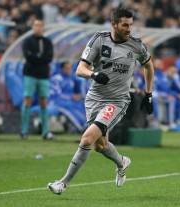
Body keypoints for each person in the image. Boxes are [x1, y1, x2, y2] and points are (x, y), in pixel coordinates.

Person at [48, 7, 154, 194]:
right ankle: (122, 162)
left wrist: (148, 93)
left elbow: (148, 66)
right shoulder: (99, 40)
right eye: (124, 25)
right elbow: (80, 69)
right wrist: (94, 75)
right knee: (100, 145)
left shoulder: (136, 45)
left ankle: (62, 183)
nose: (129, 29)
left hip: (117, 101)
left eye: (130, 25)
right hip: (94, 99)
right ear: (113, 24)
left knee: (87, 138)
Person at [21, 19, 54, 140]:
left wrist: (36, 57)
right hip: (30, 74)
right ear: (33, 27)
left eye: (40, 25)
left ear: (43, 27)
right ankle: (24, 131)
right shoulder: (27, 41)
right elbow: (27, 56)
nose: (38, 28)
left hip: (43, 75)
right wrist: (40, 58)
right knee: (27, 100)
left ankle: (45, 132)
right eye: (36, 25)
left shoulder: (47, 42)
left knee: (44, 102)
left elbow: (49, 58)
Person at [49, 61, 86, 132]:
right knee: (69, 111)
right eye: (67, 68)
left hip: (69, 102)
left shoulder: (71, 79)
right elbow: (56, 94)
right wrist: (71, 97)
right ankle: (81, 129)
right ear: (62, 69)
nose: (69, 70)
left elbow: (76, 93)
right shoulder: (56, 79)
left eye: (70, 68)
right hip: (57, 103)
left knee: (81, 107)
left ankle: (86, 126)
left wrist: (77, 96)